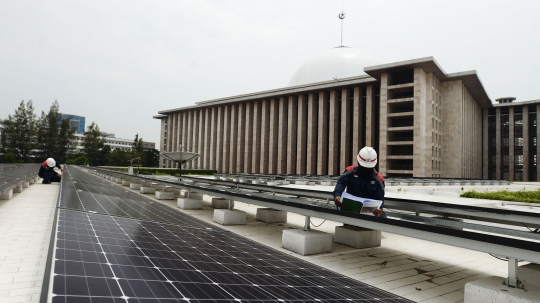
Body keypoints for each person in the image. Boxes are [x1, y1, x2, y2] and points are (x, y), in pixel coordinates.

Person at [332, 146, 386, 218]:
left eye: (368, 168)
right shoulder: (350, 171)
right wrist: (337, 196)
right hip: (350, 210)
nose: (366, 169)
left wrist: (379, 210)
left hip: (368, 213)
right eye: (364, 167)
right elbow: (341, 183)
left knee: (383, 217)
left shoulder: (379, 179)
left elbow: (380, 199)